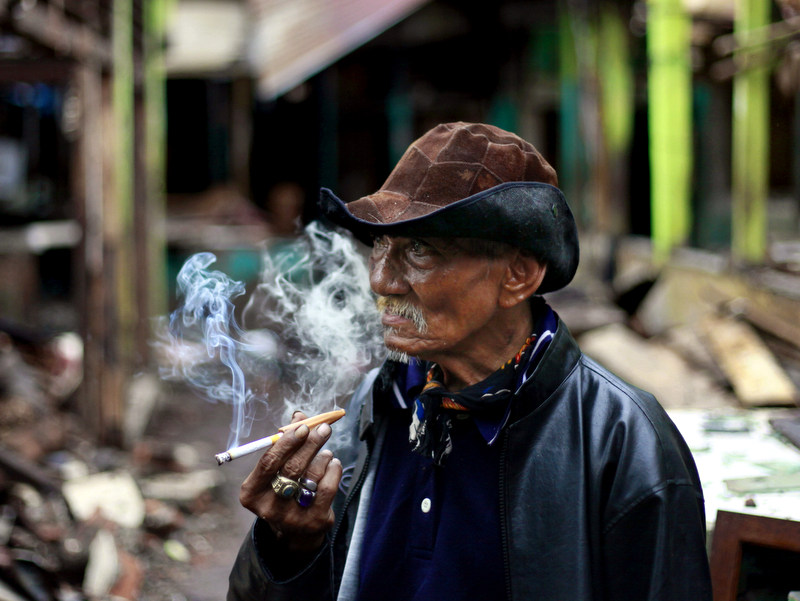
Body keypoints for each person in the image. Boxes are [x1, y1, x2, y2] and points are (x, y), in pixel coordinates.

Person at [227, 122, 712, 601]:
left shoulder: (621, 439)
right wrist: (291, 546)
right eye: (380, 245)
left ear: (517, 276)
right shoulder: (379, 399)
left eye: (419, 249)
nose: (381, 280)